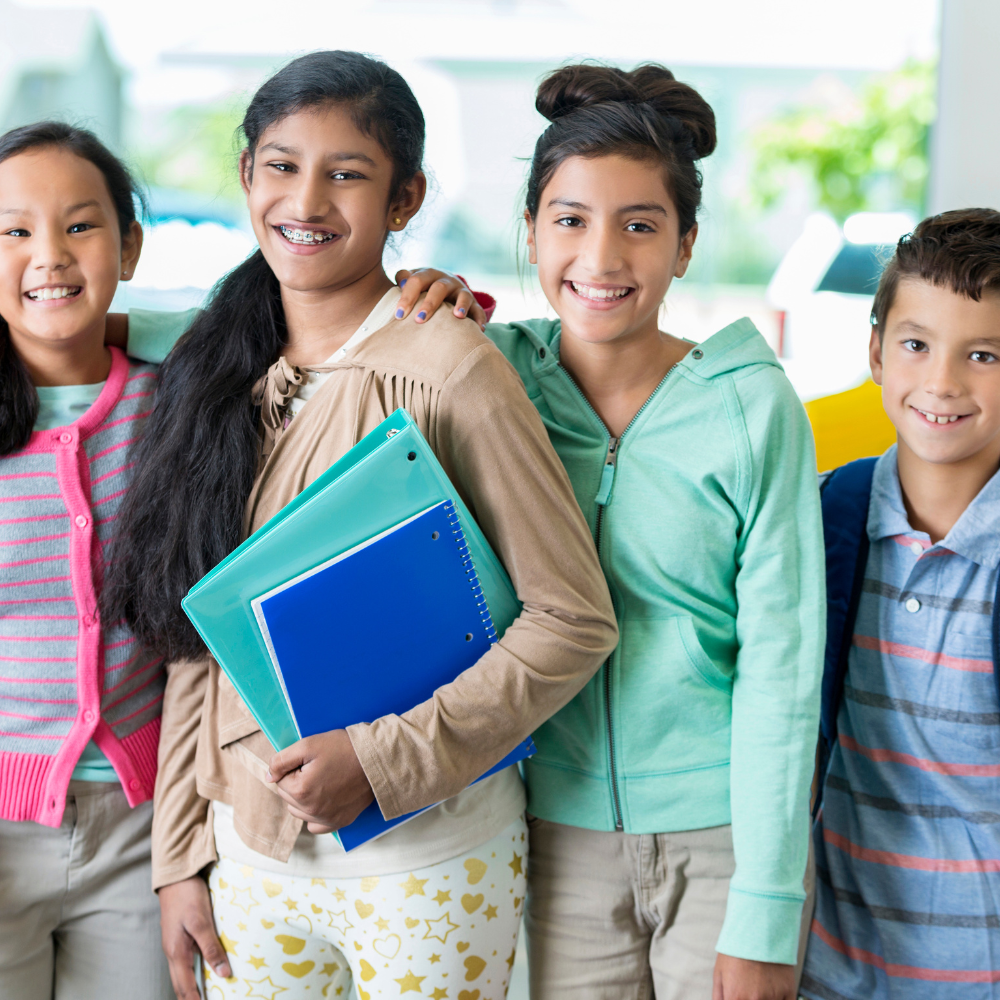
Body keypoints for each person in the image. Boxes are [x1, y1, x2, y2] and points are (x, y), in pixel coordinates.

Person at [102, 50, 618, 1000]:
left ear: (405, 197)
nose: (306, 198)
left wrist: (380, 761)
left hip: (427, 863)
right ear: (247, 175)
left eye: (347, 173)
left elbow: (573, 620)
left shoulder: (449, 367)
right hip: (249, 862)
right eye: (281, 165)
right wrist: (180, 854)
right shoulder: (215, 373)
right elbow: (194, 644)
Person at [367, 63, 827, 1000]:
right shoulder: (485, 378)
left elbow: (784, 662)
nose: (603, 258)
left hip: (727, 839)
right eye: (570, 221)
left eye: (641, 225)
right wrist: (408, 302)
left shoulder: (752, 407)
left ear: (687, 245)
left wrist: (770, 903)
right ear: (530, 232)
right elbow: (303, 345)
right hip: (556, 828)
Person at [800, 208, 1000, 1000]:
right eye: (917, 345)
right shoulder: (820, 523)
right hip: (827, 971)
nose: (943, 382)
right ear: (876, 352)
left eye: (983, 354)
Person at [0, 122, 174, 998]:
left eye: (80, 225)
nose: (49, 256)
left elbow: (295, 327)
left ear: (129, 246)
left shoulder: (174, 403)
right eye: (14, 230)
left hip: (141, 829)